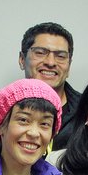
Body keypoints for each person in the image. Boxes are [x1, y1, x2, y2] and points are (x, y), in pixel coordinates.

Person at [18, 21, 81, 150]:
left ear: (69, 65)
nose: (51, 62)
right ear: (22, 59)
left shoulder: (86, 111)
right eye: (40, 53)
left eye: (60, 56)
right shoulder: (4, 109)